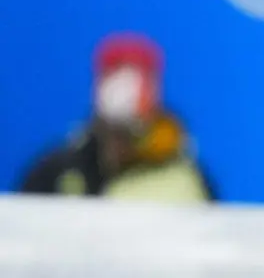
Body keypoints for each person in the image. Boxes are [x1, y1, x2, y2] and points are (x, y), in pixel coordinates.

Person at [17, 32, 216, 202]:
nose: (125, 94)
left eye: (139, 82)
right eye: (114, 76)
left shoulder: (185, 177)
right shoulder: (59, 171)